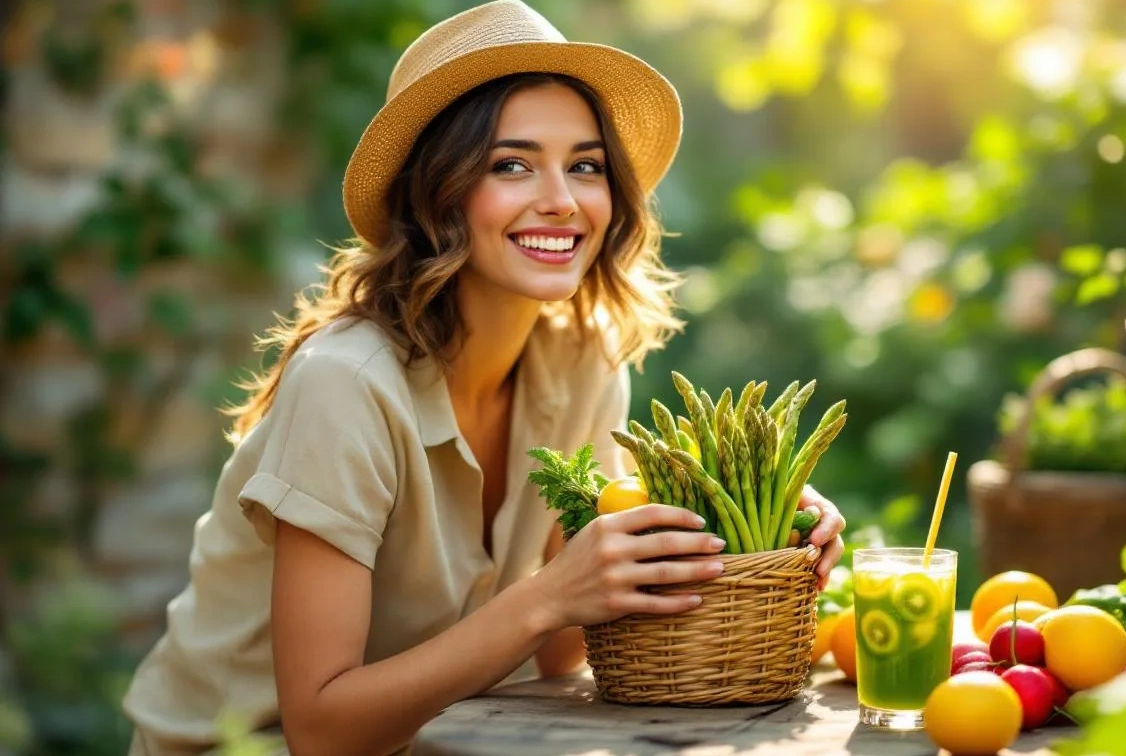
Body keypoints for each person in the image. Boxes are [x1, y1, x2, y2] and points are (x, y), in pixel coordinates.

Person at [121, 2, 846, 754]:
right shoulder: (347, 385)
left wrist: (752, 529)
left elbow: (565, 648)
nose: (562, 200)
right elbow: (320, 729)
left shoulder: (583, 363)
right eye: (512, 165)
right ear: (438, 194)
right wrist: (546, 597)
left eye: (586, 166)